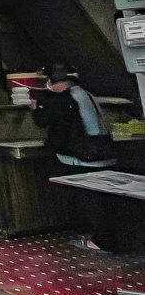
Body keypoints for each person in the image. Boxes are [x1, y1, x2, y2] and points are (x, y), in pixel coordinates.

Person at [31, 64, 116, 249]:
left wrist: (37, 108)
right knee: (103, 200)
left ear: (56, 82)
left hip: (82, 155)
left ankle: (101, 241)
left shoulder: (64, 99)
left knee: (90, 200)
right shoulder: (86, 94)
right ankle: (108, 237)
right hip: (102, 150)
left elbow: (42, 121)